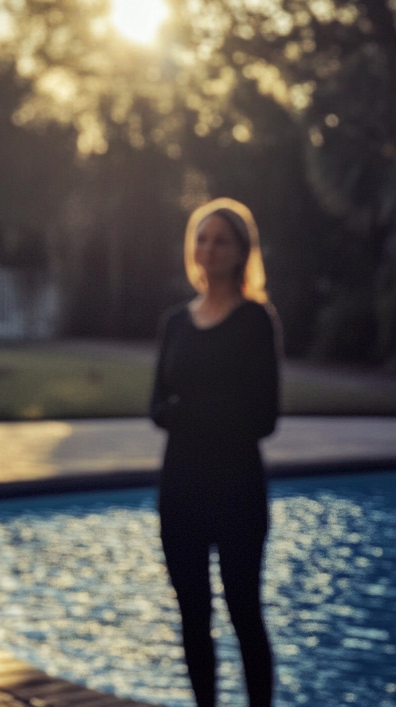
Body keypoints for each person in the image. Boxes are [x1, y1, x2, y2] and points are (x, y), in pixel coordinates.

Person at [149, 197, 280, 707]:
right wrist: (210, 408)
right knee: (192, 616)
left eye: (221, 239)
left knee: (244, 610)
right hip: (179, 490)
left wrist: (192, 409)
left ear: (240, 251)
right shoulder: (175, 324)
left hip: (237, 489)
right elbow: (157, 408)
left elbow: (264, 418)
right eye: (202, 237)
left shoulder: (255, 322)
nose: (209, 248)